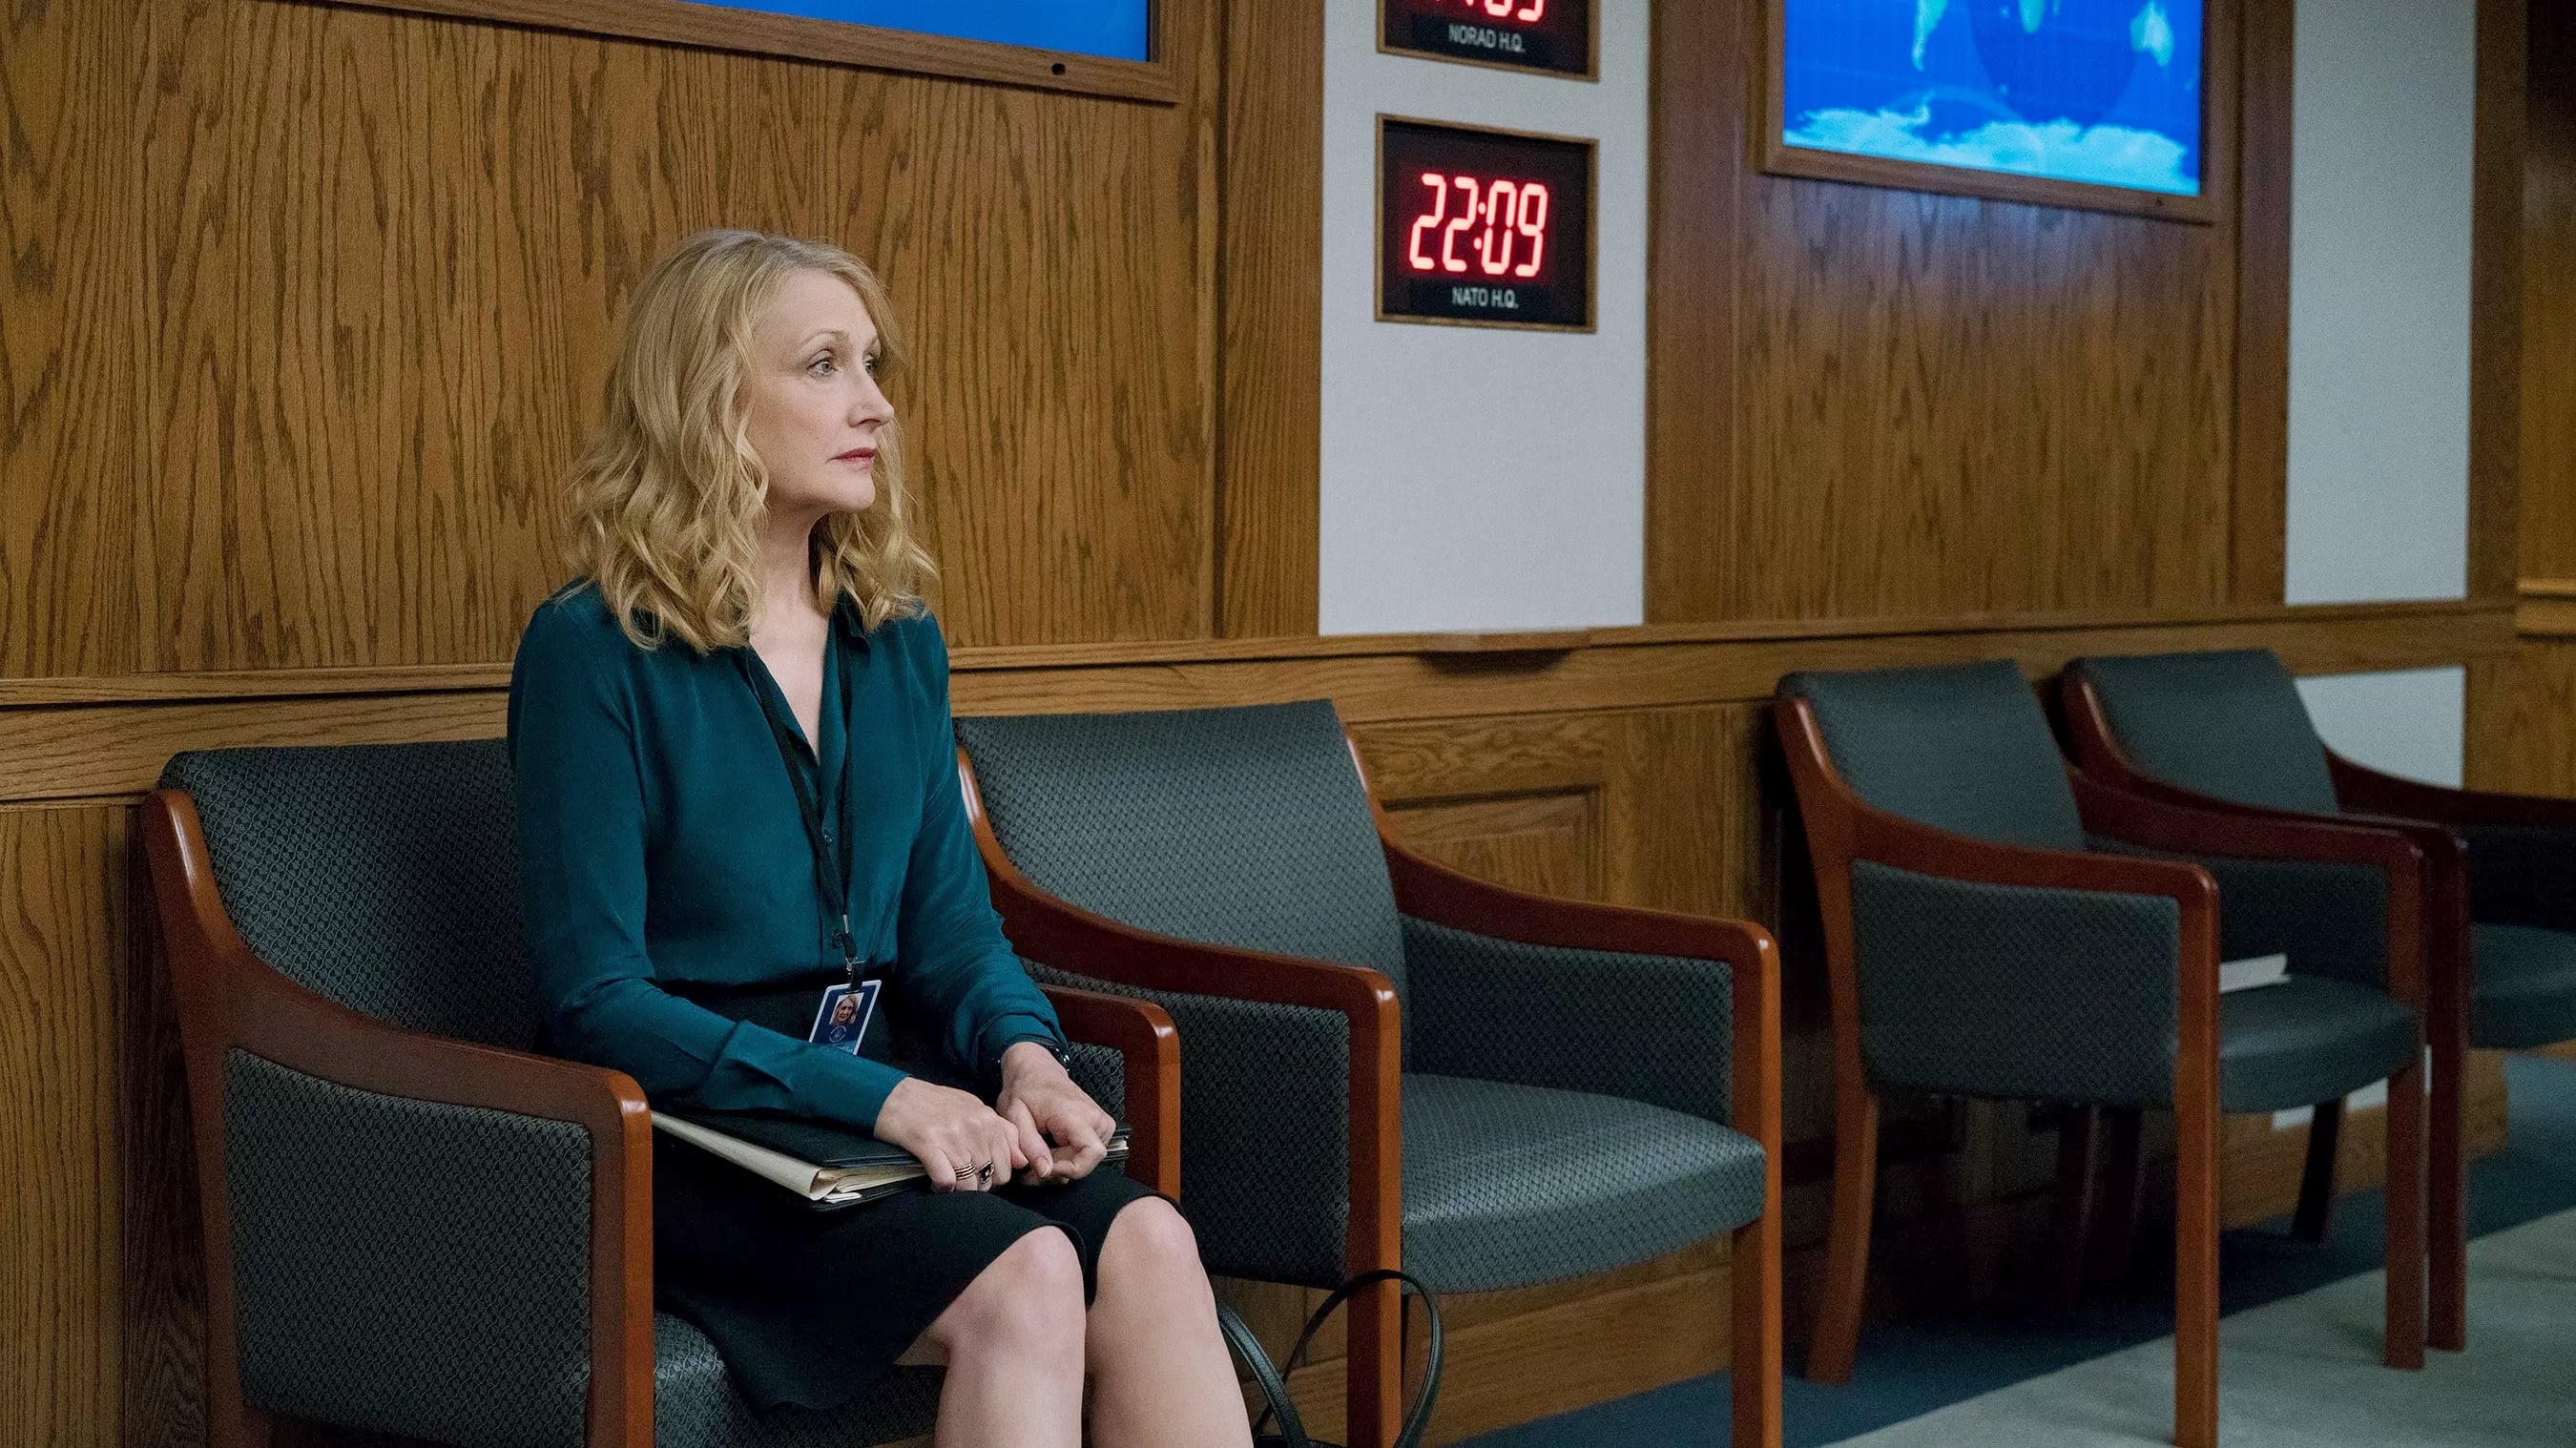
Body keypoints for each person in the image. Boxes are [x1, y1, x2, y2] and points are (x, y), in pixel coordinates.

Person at [508, 229, 1253, 1448]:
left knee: (1155, 1244)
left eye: (872, 364)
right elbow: (595, 1000)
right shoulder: (592, 648)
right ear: (709, 399)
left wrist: (1025, 1058)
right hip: (686, 1133)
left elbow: (951, 927)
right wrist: (888, 1097)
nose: (875, 403)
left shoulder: (896, 636)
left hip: (872, 1112)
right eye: (824, 365)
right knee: (1029, 1278)